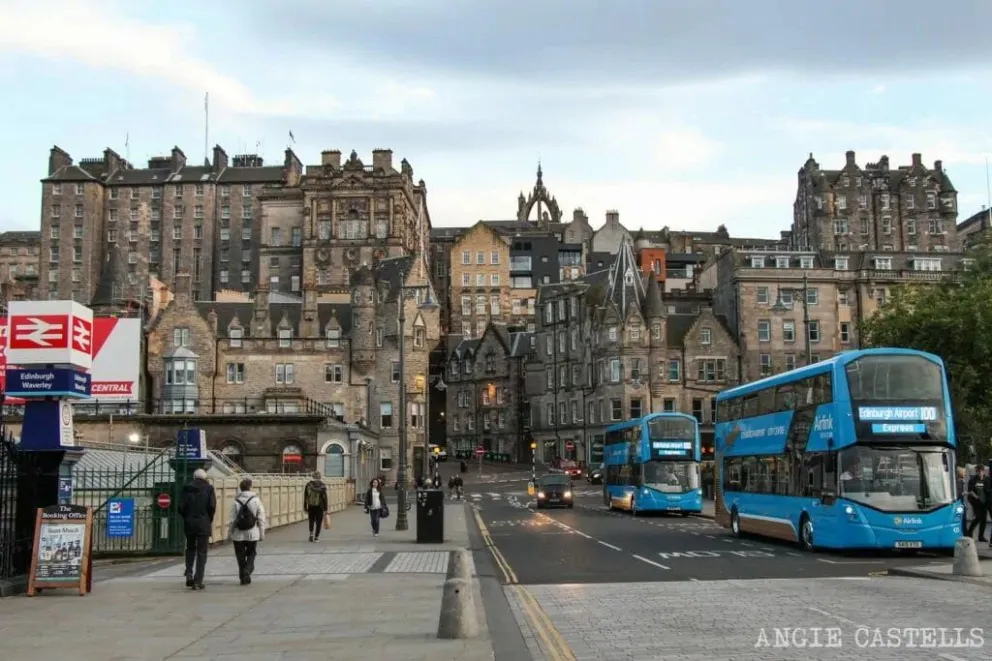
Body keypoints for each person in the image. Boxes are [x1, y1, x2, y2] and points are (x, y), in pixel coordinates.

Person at [178, 468, 216, 590]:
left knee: (190, 548)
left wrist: (187, 517)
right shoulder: (209, 489)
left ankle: (189, 573)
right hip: (203, 523)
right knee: (202, 552)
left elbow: (181, 507)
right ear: (205, 477)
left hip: (189, 523)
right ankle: (198, 580)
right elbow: (212, 507)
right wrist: (208, 519)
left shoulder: (186, 488)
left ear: (194, 477)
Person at [229, 477, 266, 585]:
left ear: (240, 488)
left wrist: (230, 533)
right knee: (251, 553)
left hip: (238, 534)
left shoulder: (236, 501)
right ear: (250, 487)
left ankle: (243, 576)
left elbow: (232, 520)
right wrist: (262, 533)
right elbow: (261, 518)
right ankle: (248, 569)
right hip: (252, 532)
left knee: (240, 555)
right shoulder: (256, 500)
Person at [965, 465, 989, 543]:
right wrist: (977, 498)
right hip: (975, 501)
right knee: (978, 517)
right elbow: (970, 491)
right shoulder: (973, 479)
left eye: (980, 471)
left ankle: (981, 536)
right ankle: (969, 532)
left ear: (983, 471)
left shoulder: (987, 479)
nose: (978, 473)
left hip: (985, 502)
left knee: (984, 519)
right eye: (977, 471)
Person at [303, 471, 329, 543]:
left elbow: (305, 496)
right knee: (318, 522)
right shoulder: (322, 485)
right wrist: (326, 508)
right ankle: (316, 537)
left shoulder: (308, 485)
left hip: (311, 506)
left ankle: (311, 533)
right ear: (320, 477)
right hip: (320, 506)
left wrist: (305, 506)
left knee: (311, 520)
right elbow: (325, 498)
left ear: (313, 476)